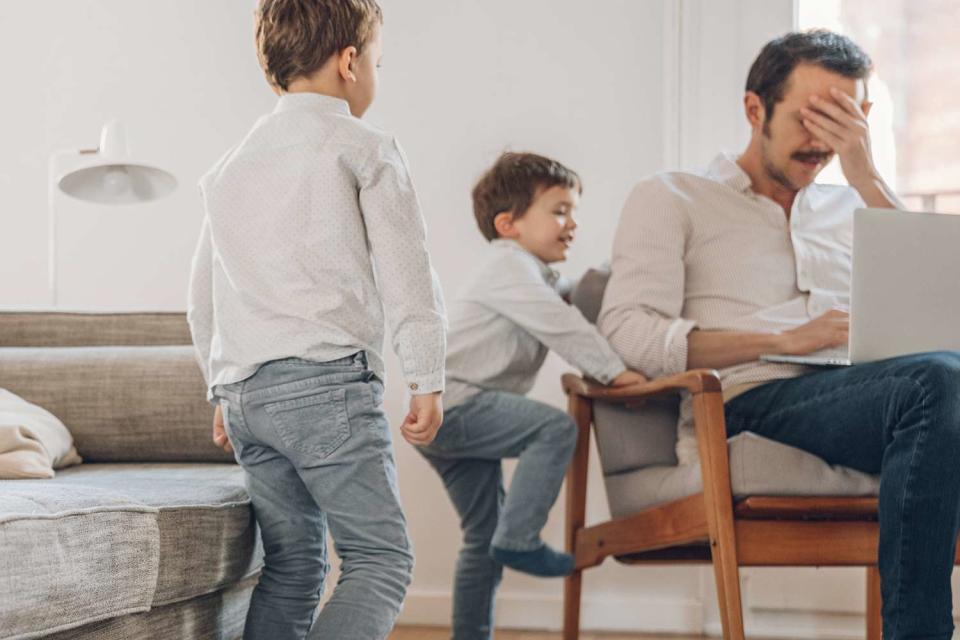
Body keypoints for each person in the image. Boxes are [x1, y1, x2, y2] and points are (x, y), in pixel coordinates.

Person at [599, 30, 960, 639]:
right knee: (938, 382)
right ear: (754, 109)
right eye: (811, 115)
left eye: (843, 117)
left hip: (870, 395)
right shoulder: (672, 197)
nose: (823, 138)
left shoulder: (856, 207)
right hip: (748, 401)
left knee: (941, 379)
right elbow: (630, 331)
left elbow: (935, 308)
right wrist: (787, 338)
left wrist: (867, 175)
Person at [187, 1, 446, 638]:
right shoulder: (365, 147)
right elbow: (408, 272)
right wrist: (427, 377)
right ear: (350, 62)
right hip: (326, 388)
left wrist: (219, 390)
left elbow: (202, 297)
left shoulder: (229, 167)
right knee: (380, 560)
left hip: (247, 398)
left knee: (293, 565)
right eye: (378, 61)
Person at [419, 152, 646, 639]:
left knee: (482, 540)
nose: (572, 223)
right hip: (457, 404)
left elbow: (577, 293)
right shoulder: (507, 267)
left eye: (574, 211)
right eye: (559, 210)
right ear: (509, 224)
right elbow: (565, 326)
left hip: (443, 418)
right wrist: (618, 374)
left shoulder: (531, 274)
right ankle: (521, 538)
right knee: (554, 428)